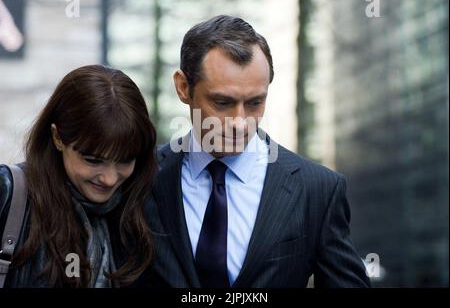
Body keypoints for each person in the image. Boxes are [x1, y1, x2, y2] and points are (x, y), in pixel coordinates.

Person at [146, 15, 371, 288]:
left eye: (255, 103)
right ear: (183, 88)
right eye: (222, 102)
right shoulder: (141, 177)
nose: (240, 122)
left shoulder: (318, 190)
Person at [0, 64, 157, 287]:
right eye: (93, 160)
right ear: (57, 137)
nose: (110, 179)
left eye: (125, 160)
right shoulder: (8, 194)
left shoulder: (142, 209)